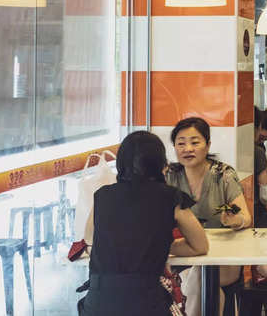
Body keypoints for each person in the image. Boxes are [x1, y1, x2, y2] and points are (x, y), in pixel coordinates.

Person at [81, 131, 208, 316]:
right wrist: (160, 245)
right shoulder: (170, 197)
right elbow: (200, 246)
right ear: (161, 164)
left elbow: (89, 242)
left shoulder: (103, 195)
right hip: (145, 302)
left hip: (99, 301)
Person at [165, 117, 251, 313]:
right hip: (183, 254)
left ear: (208, 144)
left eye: (195, 142)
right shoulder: (169, 176)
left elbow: (246, 218)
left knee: (201, 283)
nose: (188, 149)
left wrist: (234, 220)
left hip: (221, 256)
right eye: (181, 143)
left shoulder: (223, 174)